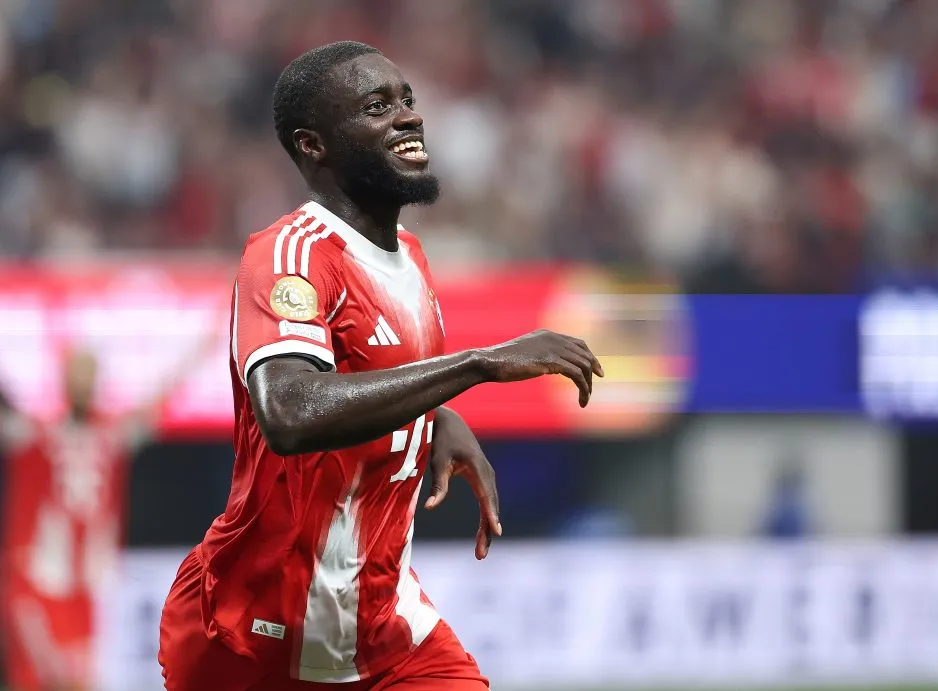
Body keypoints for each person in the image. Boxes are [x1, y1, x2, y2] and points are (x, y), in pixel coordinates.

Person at [157, 41, 603, 691]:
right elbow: (289, 410)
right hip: (255, 638)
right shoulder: (290, 253)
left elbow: (372, 367)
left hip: (387, 630)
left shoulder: (411, 257)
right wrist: (476, 364)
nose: (408, 118)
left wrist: (439, 415)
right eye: (377, 107)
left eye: (407, 101)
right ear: (315, 145)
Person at [0, 339, 213, 691]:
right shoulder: (35, 434)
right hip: (38, 585)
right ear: (64, 380)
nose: (84, 383)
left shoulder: (111, 435)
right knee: (43, 680)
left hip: (90, 589)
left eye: (89, 374)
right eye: (77, 374)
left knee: (84, 680)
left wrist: (208, 343)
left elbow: (160, 399)